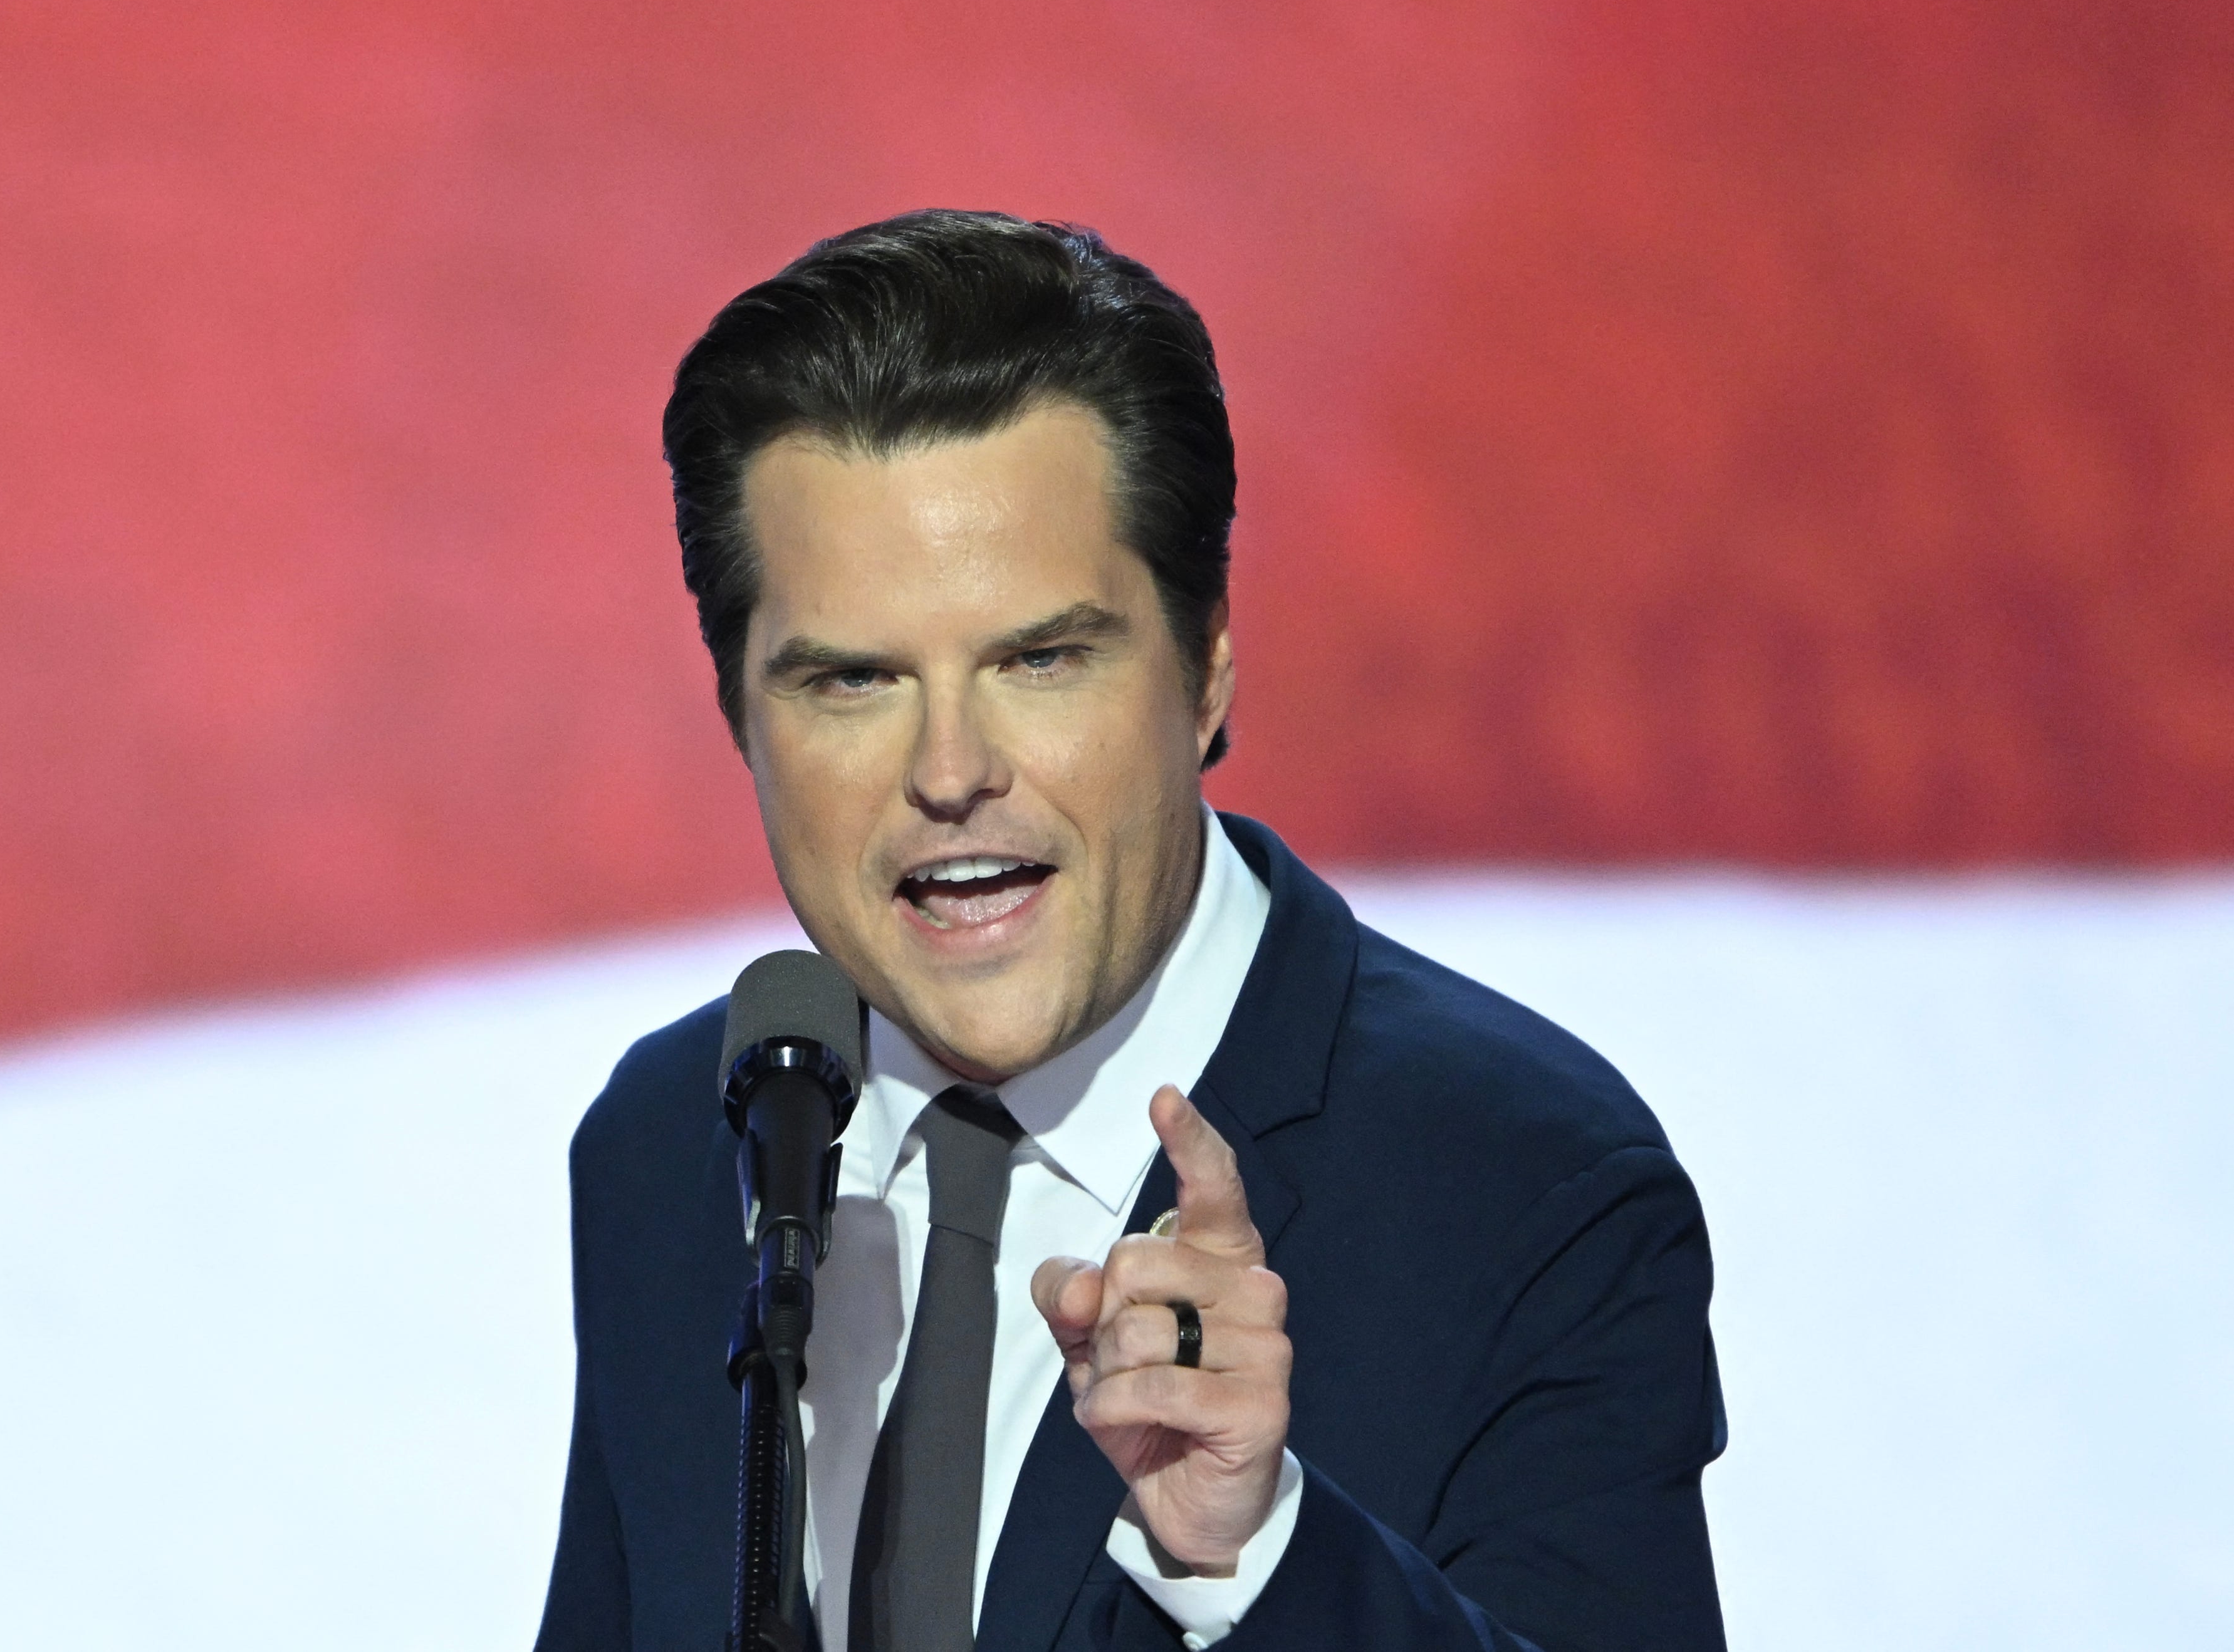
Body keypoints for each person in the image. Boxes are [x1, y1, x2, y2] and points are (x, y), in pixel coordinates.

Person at [535, 211, 1726, 1652]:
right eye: (851, 680)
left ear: (1210, 662)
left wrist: (1257, 1559)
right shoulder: (680, 1141)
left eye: (1040, 658)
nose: (952, 769)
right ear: (739, 712)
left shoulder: (1524, 1187)